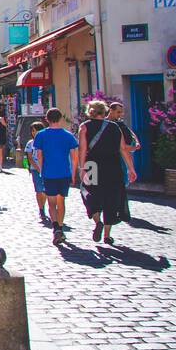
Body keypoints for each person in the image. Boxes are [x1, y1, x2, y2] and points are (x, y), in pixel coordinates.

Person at [77, 100, 137, 245]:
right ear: (104, 112)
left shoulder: (84, 127)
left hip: (92, 165)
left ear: (90, 112)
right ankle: (107, 235)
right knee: (111, 198)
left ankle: (97, 221)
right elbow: (123, 149)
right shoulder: (114, 127)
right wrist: (131, 168)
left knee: (89, 193)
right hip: (112, 165)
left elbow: (82, 150)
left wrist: (82, 168)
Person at [31, 107, 80, 246]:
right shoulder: (68, 135)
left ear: (46, 119)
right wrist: (73, 172)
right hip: (64, 172)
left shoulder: (41, 135)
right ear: (60, 118)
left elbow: (39, 155)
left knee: (51, 202)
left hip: (49, 173)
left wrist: (41, 170)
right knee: (61, 201)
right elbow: (74, 156)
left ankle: (56, 228)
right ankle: (61, 226)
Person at [107, 101, 140, 221]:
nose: (120, 114)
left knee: (121, 183)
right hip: (110, 158)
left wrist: (136, 142)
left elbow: (129, 134)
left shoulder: (120, 124)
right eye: (118, 112)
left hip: (120, 158)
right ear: (110, 110)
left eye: (121, 112)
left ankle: (118, 208)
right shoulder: (106, 124)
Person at [24, 121, 49, 224]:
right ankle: (41, 209)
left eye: (36, 130)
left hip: (47, 169)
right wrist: (37, 169)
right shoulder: (30, 143)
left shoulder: (47, 141)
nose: (34, 132)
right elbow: (30, 158)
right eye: (33, 131)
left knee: (45, 191)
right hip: (35, 170)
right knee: (39, 190)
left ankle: (44, 206)